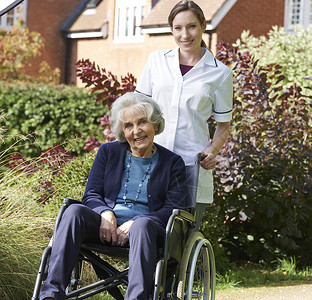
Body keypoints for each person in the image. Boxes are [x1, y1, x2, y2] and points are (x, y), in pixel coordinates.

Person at [40, 92, 186, 300]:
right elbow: (91, 194)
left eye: (142, 122)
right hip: (103, 226)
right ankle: (51, 294)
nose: (136, 131)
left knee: (142, 226)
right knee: (73, 212)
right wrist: (105, 213)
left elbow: (172, 208)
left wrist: (136, 222)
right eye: (128, 125)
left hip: (147, 231)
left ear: (154, 124)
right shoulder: (108, 152)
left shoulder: (173, 163)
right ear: (122, 131)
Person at [135, 0, 233, 205]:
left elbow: (224, 125)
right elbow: (137, 108)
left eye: (191, 26)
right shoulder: (156, 61)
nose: (185, 35)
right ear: (171, 29)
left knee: (179, 231)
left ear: (203, 26)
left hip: (191, 165)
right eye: (178, 28)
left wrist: (212, 151)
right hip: (151, 158)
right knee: (142, 221)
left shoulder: (221, 74)